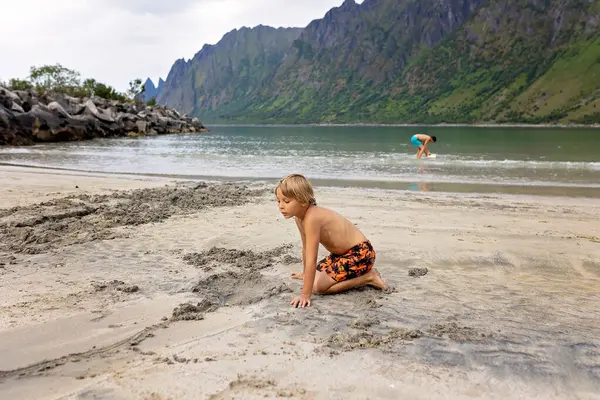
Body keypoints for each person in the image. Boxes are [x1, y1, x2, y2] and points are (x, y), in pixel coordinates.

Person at [275, 174, 388, 308]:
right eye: (278, 201)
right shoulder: (299, 218)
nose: (281, 206)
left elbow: (312, 257)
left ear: (303, 201)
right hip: (341, 256)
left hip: (361, 254)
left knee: (318, 287)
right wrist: (305, 273)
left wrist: (305, 294)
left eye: (286, 201)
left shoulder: (312, 218)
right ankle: (364, 275)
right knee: (312, 277)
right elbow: (306, 248)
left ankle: (369, 277)